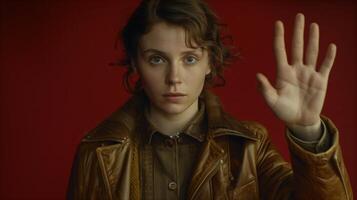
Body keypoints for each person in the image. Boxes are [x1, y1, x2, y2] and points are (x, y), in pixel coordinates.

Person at [67, 0, 353, 199]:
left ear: (210, 63)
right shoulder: (98, 153)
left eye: (190, 58)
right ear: (135, 63)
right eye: (156, 59)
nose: (174, 77)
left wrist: (308, 129)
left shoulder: (249, 148)